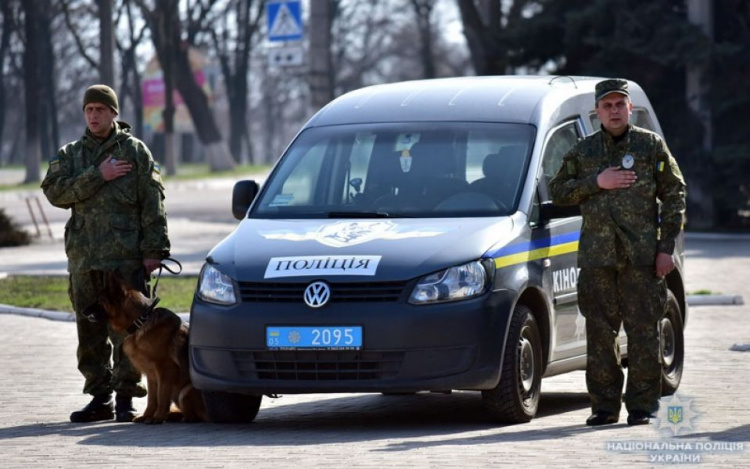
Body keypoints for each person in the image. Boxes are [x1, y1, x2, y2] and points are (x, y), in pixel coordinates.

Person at [549, 78, 686, 426]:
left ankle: (642, 406)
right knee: (599, 335)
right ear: (597, 111)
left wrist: (665, 248)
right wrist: (596, 182)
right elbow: (558, 190)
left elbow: (675, 193)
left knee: (643, 333)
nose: (613, 111)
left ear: (629, 108)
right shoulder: (584, 151)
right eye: (606, 105)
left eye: (619, 105)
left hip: (641, 258)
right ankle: (604, 407)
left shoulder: (649, 145)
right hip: (597, 259)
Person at [41, 84, 170, 423]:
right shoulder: (70, 155)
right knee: (89, 330)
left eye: (100, 109)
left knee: (129, 330)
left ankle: (127, 397)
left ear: (114, 113)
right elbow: (54, 192)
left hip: (125, 260)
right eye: (89, 110)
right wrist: (97, 175)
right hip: (85, 259)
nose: (94, 115)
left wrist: (154, 250)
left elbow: (152, 204)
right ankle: (99, 396)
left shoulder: (135, 152)